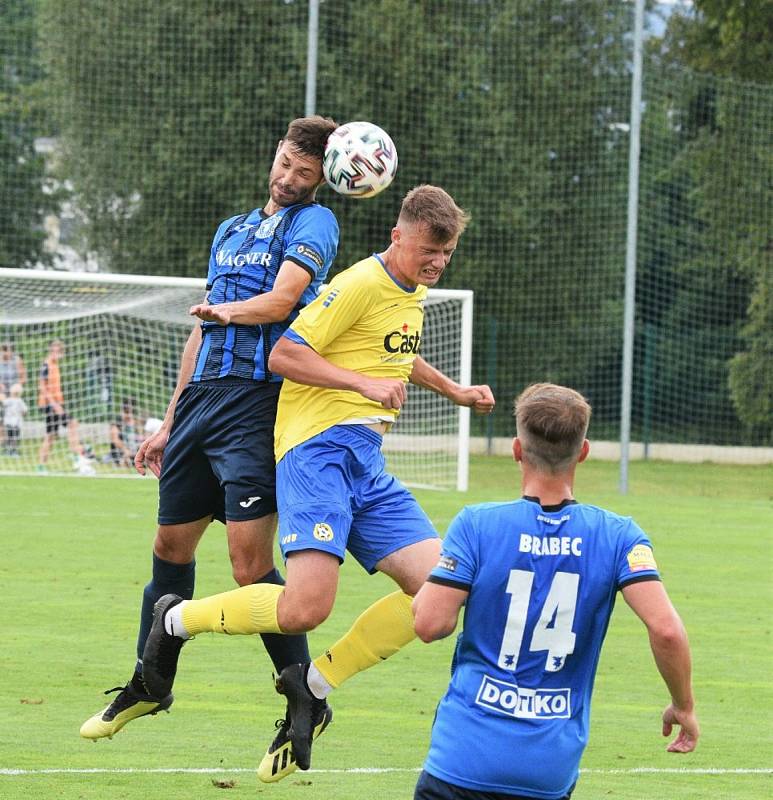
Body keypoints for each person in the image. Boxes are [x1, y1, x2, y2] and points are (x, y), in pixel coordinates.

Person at [139, 184, 495, 781]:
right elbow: (285, 355)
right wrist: (361, 388)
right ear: (397, 236)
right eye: (430, 248)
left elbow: (393, 354)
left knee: (443, 593)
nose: (438, 261)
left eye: (448, 251)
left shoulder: (413, 292)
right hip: (315, 454)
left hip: (365, 464)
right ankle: (175, 619)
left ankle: (313, 682)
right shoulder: (359, 282)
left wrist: (454, 391)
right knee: (306, 608)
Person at [79, 115, 341, 741]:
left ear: (319, 180)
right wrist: (171, 420)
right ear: (275, 154)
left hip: (258, 406)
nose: (289, 178)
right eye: (285, 163)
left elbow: (280, 303)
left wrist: (225, 311)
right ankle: (149, 682)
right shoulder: (231, 229)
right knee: (170, 549)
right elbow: (201, 330)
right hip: (200, 405)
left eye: (304, 173)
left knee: (249, 566)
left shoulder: (316, 224)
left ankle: (304, 693)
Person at [411, 383, 699, 800]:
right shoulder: (620, 536)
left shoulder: (476, 524)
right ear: (582, 452)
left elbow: (430, 624)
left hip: (462, 759)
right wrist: (683, 706)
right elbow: (667, 631)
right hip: (546, 771)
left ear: (516, 450)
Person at [36, 339, 91, 473]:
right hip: (51, 405)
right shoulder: (46, 365)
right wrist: (55, 405)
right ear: (51, 350)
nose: (58, 353)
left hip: (55, 404)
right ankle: (76, 456)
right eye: (56, 350)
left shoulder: (55, 365)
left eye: (60, 350)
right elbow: (42, 387)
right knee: (72, 424)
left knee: (51, 436)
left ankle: (41, 466)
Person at [107, 397, 141, 467]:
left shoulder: (134, 422)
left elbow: (138, 437)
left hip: (133, 451)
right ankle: (123, 461)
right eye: (127, 412)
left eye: (131, 412)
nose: (129, 415)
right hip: (121, 452)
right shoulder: (117, 421)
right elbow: (115, 440)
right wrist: (126, 450)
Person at [3, 382, 28, 456]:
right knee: (14, 437)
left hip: (9, 422)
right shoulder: (19, 401)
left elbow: (3, 404)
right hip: (15, 423)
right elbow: (25, 411)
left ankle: (10, 450)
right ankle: (12, 451)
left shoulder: (9, 400)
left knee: (10, 437)